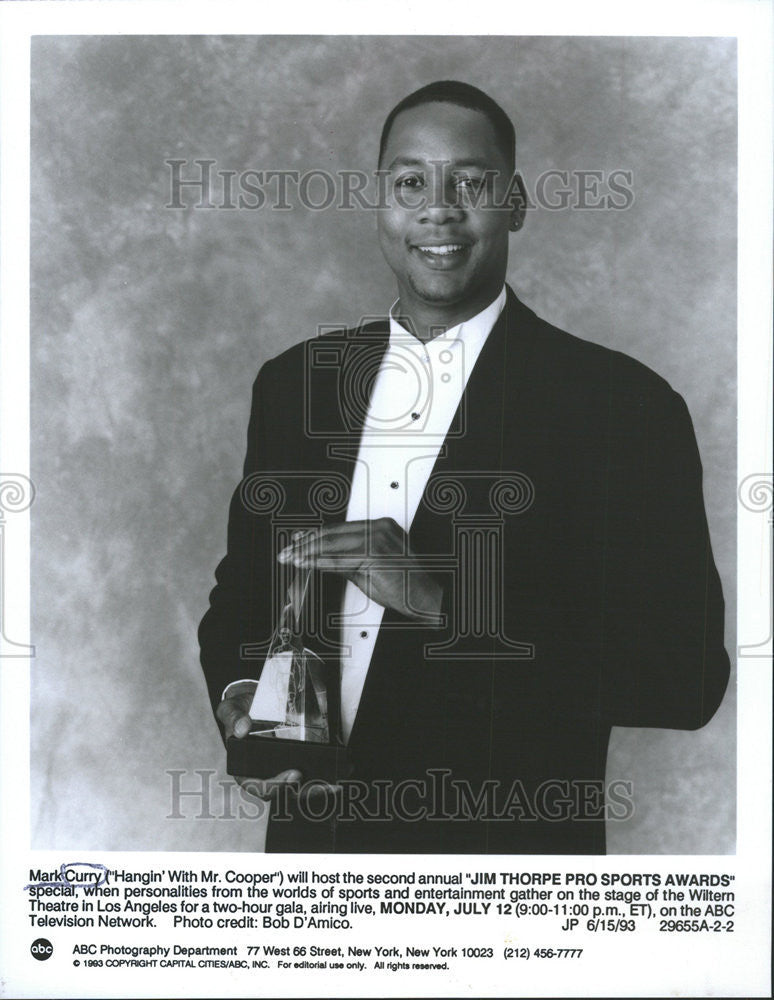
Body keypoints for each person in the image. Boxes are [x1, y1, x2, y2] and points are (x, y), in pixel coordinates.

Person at [198, 80, 730, 854]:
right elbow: (244, 591)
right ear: (380, 201)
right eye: (410, 181)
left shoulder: (623, 405)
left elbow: (684, 679)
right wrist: (243, 697)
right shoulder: (295, 383)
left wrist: (443, 600)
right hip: (312, 861)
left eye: (471, 183)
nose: (438, 209)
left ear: (514, 203)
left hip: (505, 867)